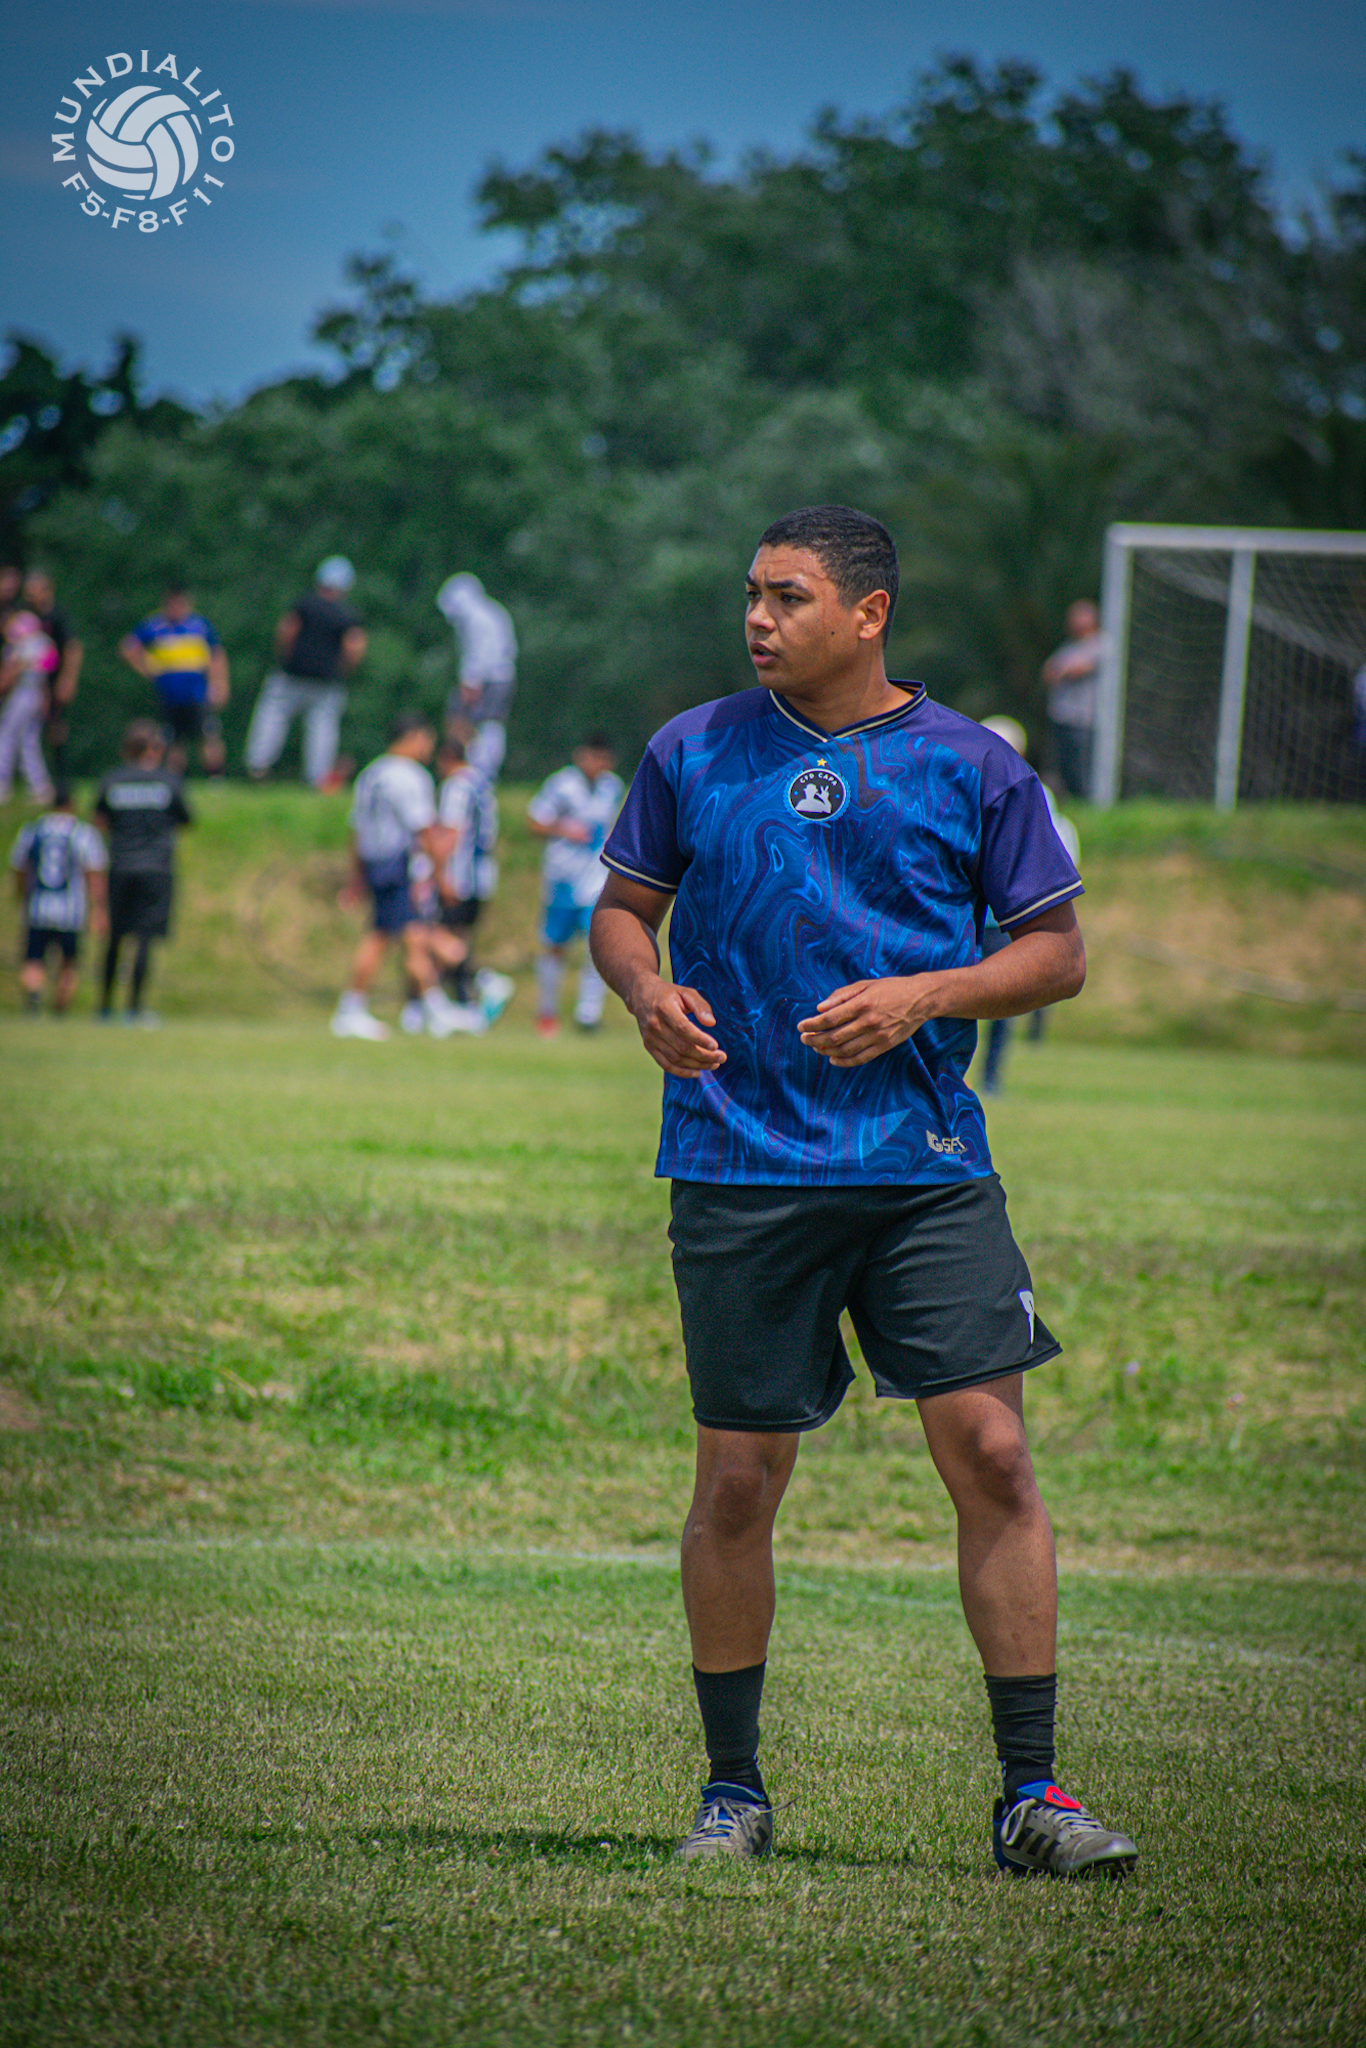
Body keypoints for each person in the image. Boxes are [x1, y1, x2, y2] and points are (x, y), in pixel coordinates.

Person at [590, 504, 1137, 1877]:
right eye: (752, 594)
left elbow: (1056, 954)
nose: (757, 618)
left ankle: (1032, 1798)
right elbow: (620, 911)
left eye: (787, 596)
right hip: (737, 1163)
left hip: (922, 1170)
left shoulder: (972, 765)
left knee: (993, 1454)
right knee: (736, 1482)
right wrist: (645, 993)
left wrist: (924, 996)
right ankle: (731, 1793)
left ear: (868, 612)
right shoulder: (691, 749)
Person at [330, 710, 476, 1042]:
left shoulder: (371, 773)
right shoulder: (410, 776)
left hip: (375, 862)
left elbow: (356, 830)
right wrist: (440, 875)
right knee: (382, 936)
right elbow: (424, 830)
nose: (429, 749)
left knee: (413, 936)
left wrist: (356, 877)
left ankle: (433, 1007)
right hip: (396, 864)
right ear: (413, 737)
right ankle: (351, 1007)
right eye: (427, 740)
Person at [976, 717, 1081, 1098]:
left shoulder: (1030, 791)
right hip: (964, 917)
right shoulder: (957, 782)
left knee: (1001, 1004)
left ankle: (990, 1077)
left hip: (1003, 922)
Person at [399, 731, 511, 1032]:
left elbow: (451, 833)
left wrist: (439, 876)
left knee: (427, 936)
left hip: (459, 877)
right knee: (455, 937)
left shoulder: (456, 786)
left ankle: (483, 982)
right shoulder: (482, 784)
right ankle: (460, 1008)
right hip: (482, 878)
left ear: (446, 759)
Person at [94, 721, 193, 1026]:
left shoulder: (112, 780)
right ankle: (134, 1010)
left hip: (120, 866)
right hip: (156, 869)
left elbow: (99, 821)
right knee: (144, 939)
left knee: (115, 938)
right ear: (153, 749)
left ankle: (104, 1009)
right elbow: (186, 820)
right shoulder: (168, 781)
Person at [528, 735, 622, 1038]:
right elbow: (534, 822)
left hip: (596, 878)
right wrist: (564, 829)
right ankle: (547, 1012)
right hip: (563, 877)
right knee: (555, 945)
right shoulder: (561, 785)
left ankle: (588, 1015)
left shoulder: (612, 787)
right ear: (582, 756)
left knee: (598, 943)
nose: (598, 764)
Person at [246, 559, 367, 788]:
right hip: (326, 682)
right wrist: (343, 669)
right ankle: (317, 778)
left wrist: (285, 656)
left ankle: (258, 766)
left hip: (291, 674)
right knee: (322, 729)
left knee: (272, 717)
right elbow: (354, 647)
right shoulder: (346, 614)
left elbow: (286, 631)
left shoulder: (304, 604)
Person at [9, 785, 108, 1014]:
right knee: (68, 961)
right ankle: (59, 1009)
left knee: (33, 958)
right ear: (71, 805)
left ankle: (34, 997)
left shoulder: (32, 830)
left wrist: (21, 895)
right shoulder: (82, 832)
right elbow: (93, 872)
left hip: (38, 906)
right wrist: (98, 908)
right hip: (71, 910)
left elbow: (20, 867)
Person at [118, 581, 229, 777]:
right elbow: (128, 647)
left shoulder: (199, 626)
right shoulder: (154, 626)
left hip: (197, 693)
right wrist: (146, 669)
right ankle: (175, 779)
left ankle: (215, 777)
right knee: (173, 740)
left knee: (207, 734)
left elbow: (216, 655)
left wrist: (219, 683)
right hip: (169, 695)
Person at [435, 573, 517, 782]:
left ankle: (471, 768)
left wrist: (471, 680)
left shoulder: (474, 618)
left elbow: (478, 651)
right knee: (491, 724)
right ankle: (484, 770)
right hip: (502, 676)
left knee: (468, 722)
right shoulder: (491, 611)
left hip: (487, 678)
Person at [1041, 600, 1105, 800]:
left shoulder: (1101, 644)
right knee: (1063, 765)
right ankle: (1070, 800)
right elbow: (1048, 672)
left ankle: (1087, 801)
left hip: (1084, 719)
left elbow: (1077, 669)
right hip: (1062, 717)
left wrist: (1064, 670)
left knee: (1082, 766)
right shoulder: (1068, 647)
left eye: (1079, 616)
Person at [23, 568, 83, 782]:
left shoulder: (57, 616)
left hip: (53, 679)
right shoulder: (30, 617)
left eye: (34, 590)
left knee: (56, 730)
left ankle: (62, 780)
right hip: (36, 681)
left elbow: (72, 648)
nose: (29, 595)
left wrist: (67, 679)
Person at [0, 602, 58, 804]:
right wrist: (46, 697)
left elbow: (12, 670)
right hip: (36, 691)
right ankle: (40, 788)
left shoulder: (20, 642)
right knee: (28, 741)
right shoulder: (42, 642)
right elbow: (48, 667)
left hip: (23, 692)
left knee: (6, 736)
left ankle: (2, 785)